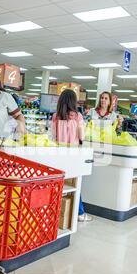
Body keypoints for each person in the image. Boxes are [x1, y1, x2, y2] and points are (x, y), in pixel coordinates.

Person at [52, 89, 92, 222]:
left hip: (58, 154)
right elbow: (82, 136)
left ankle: (55, 212)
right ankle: (80, 213)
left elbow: (52, 137)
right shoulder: (78, 116)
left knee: (58, 183)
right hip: (74, 155)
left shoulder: (55, 116)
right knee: (75, 183)